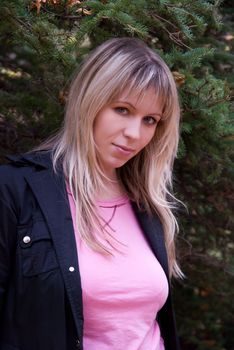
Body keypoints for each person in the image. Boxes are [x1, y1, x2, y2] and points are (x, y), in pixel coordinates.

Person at [0, 37, 182, 350]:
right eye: (123, 110)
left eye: (150, 120)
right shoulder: (16, 189)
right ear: (90, 101)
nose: (135, 134)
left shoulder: (148, 203)